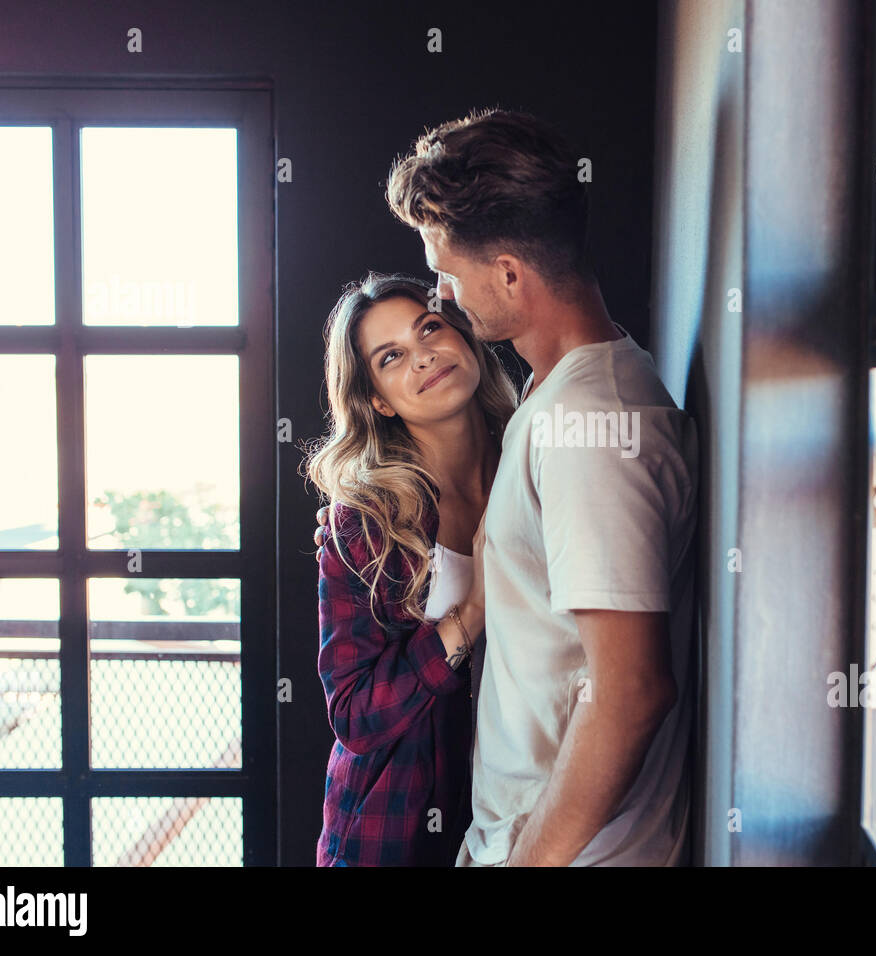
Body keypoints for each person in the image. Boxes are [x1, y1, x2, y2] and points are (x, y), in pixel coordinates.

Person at [382, 107, 700, 866]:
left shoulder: (592, 428)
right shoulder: (555, 392)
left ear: (510, 276)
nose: (440, 294)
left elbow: (632, 692)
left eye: (447, 271)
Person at [302, 271, 517, 865]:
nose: (423, 358)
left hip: (520, 810)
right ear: (375, 398)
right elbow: (354, 715)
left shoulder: (536, 457)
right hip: (392, 834)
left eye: (430, 328)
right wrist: (467, 617)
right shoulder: (366, 519)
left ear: (465, 337)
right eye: (392, 357)